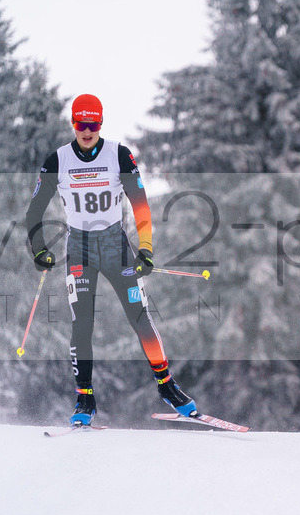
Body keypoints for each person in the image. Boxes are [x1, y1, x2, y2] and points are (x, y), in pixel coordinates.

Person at [25, 94, 198, 426]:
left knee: (140, 317)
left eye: (92, 124)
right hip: (79, 247)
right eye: (80, 124)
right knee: (82, 323)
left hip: (115, 245)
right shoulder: (57, 160)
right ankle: (84, 398)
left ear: (100, 124)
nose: (86, 131)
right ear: (73, 123)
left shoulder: (119, 154)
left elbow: (141, 205)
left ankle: (167, 386)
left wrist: (145, 249)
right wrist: (39, 248)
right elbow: (34, 211)